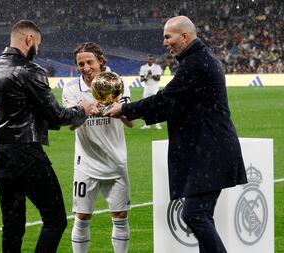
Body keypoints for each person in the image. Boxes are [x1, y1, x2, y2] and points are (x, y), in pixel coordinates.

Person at [106, 16, 248, 253]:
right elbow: (176, 105)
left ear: (184, 36)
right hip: (211, 149)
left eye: (167, 36)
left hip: (211, 151)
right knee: (201, 215)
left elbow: (166, 100)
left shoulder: (196, 63)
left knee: (195, 214)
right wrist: (132, 113)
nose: (164, 43)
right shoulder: (197, 59)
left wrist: (126, 109)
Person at [0, 20, 98, 253]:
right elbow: (56, 115)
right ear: (29, 40)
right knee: (56, 220)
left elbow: (19, 111)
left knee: (12, 225)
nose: (38, 50)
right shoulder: (30, 70)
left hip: (0, 156)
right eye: (38, 44)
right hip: (27, 155)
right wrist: (82, 110)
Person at [62, 42, 134, 253]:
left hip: (116, 161)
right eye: (80, 64)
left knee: (120, 216)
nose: (85, 67)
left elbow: (131, 122)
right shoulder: (72, 88)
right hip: (86, 163)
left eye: (89, 62)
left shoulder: (116, 82)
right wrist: (84, 112)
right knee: (82, 217)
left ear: (100, 61)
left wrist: (117, 107)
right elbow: (70, 125)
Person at [139, 54, 163, 130]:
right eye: (149, 59)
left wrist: (152, 74)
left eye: (151, 59)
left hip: (155, 88)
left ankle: (157, 124)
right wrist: (147, 75)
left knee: (156, 105)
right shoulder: (143, 67)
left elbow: (158, 78)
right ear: (147, 60)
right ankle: (147, 124)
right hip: (146, 88)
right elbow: (141, 79)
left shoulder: (157, 67)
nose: (150, 60)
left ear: (153, 60)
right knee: (146, 105)